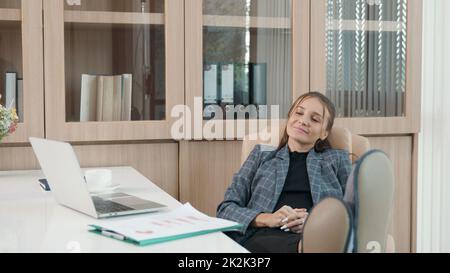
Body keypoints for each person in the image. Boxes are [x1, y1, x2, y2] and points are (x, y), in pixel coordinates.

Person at [217, 92, 352, 253]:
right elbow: (225, 209)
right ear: (289, 118)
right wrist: (267, 219)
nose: (303, 121)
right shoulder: (261, 155)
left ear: (324, 133)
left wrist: (315, 224)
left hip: (315, 237)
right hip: (261, 236)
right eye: (299, 113)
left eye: (314, 119)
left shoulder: (337, 160)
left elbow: (353, 211)